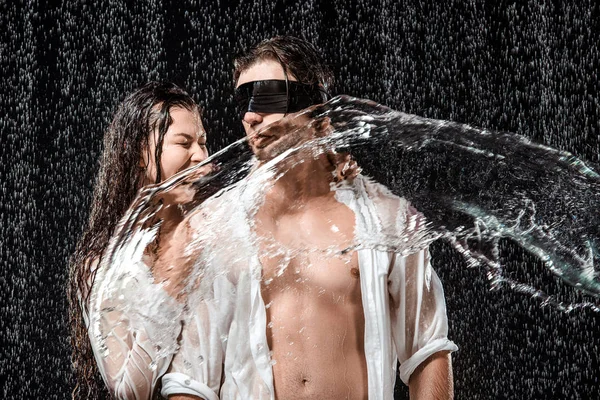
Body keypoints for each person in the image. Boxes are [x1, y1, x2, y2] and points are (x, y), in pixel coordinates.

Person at [160, 36, 457, 400]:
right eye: (244, 101)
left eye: (268, 97)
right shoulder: (218, 226)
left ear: (315, 112)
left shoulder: (387, 218)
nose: (251, 115)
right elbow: (191, 378)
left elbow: (427, 350)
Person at [68, 81, 211, 400]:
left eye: (203, 142)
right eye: (184, 142)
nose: (201, 155)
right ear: (138, 155)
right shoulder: (104, 265)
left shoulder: (214, 228)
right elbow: (130, 390)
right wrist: (172, 284)